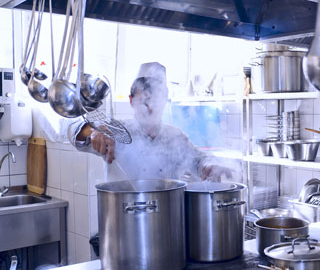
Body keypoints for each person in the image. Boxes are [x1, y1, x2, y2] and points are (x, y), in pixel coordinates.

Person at [68, 62, 231, 182]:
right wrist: (92, 132)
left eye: (156, 99)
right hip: (123, 218)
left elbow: (198, 160)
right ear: (131, 101)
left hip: (167, 216)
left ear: (165, 100)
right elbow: (70, 130)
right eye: (145, 101)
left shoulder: (175, 136)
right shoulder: (117, 131)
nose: (151, 107)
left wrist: (209, 165)